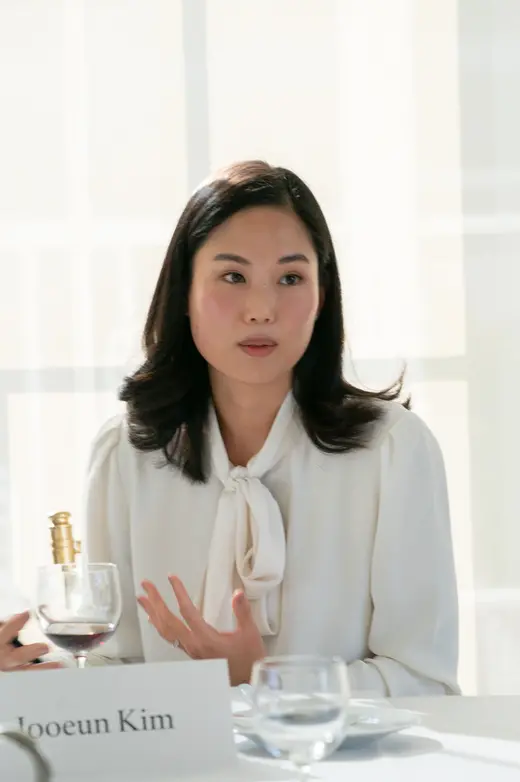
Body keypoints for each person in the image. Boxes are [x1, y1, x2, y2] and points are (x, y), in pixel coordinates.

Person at [2, 160, 460, 694]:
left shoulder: (393, 449)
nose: (261, 309)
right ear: (185, 294)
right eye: (232, 276)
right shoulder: (125, 452)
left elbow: (425, 683)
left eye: (291, 278)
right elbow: (116, 674)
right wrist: (30, 680)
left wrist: (265, 682)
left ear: (322, 295)